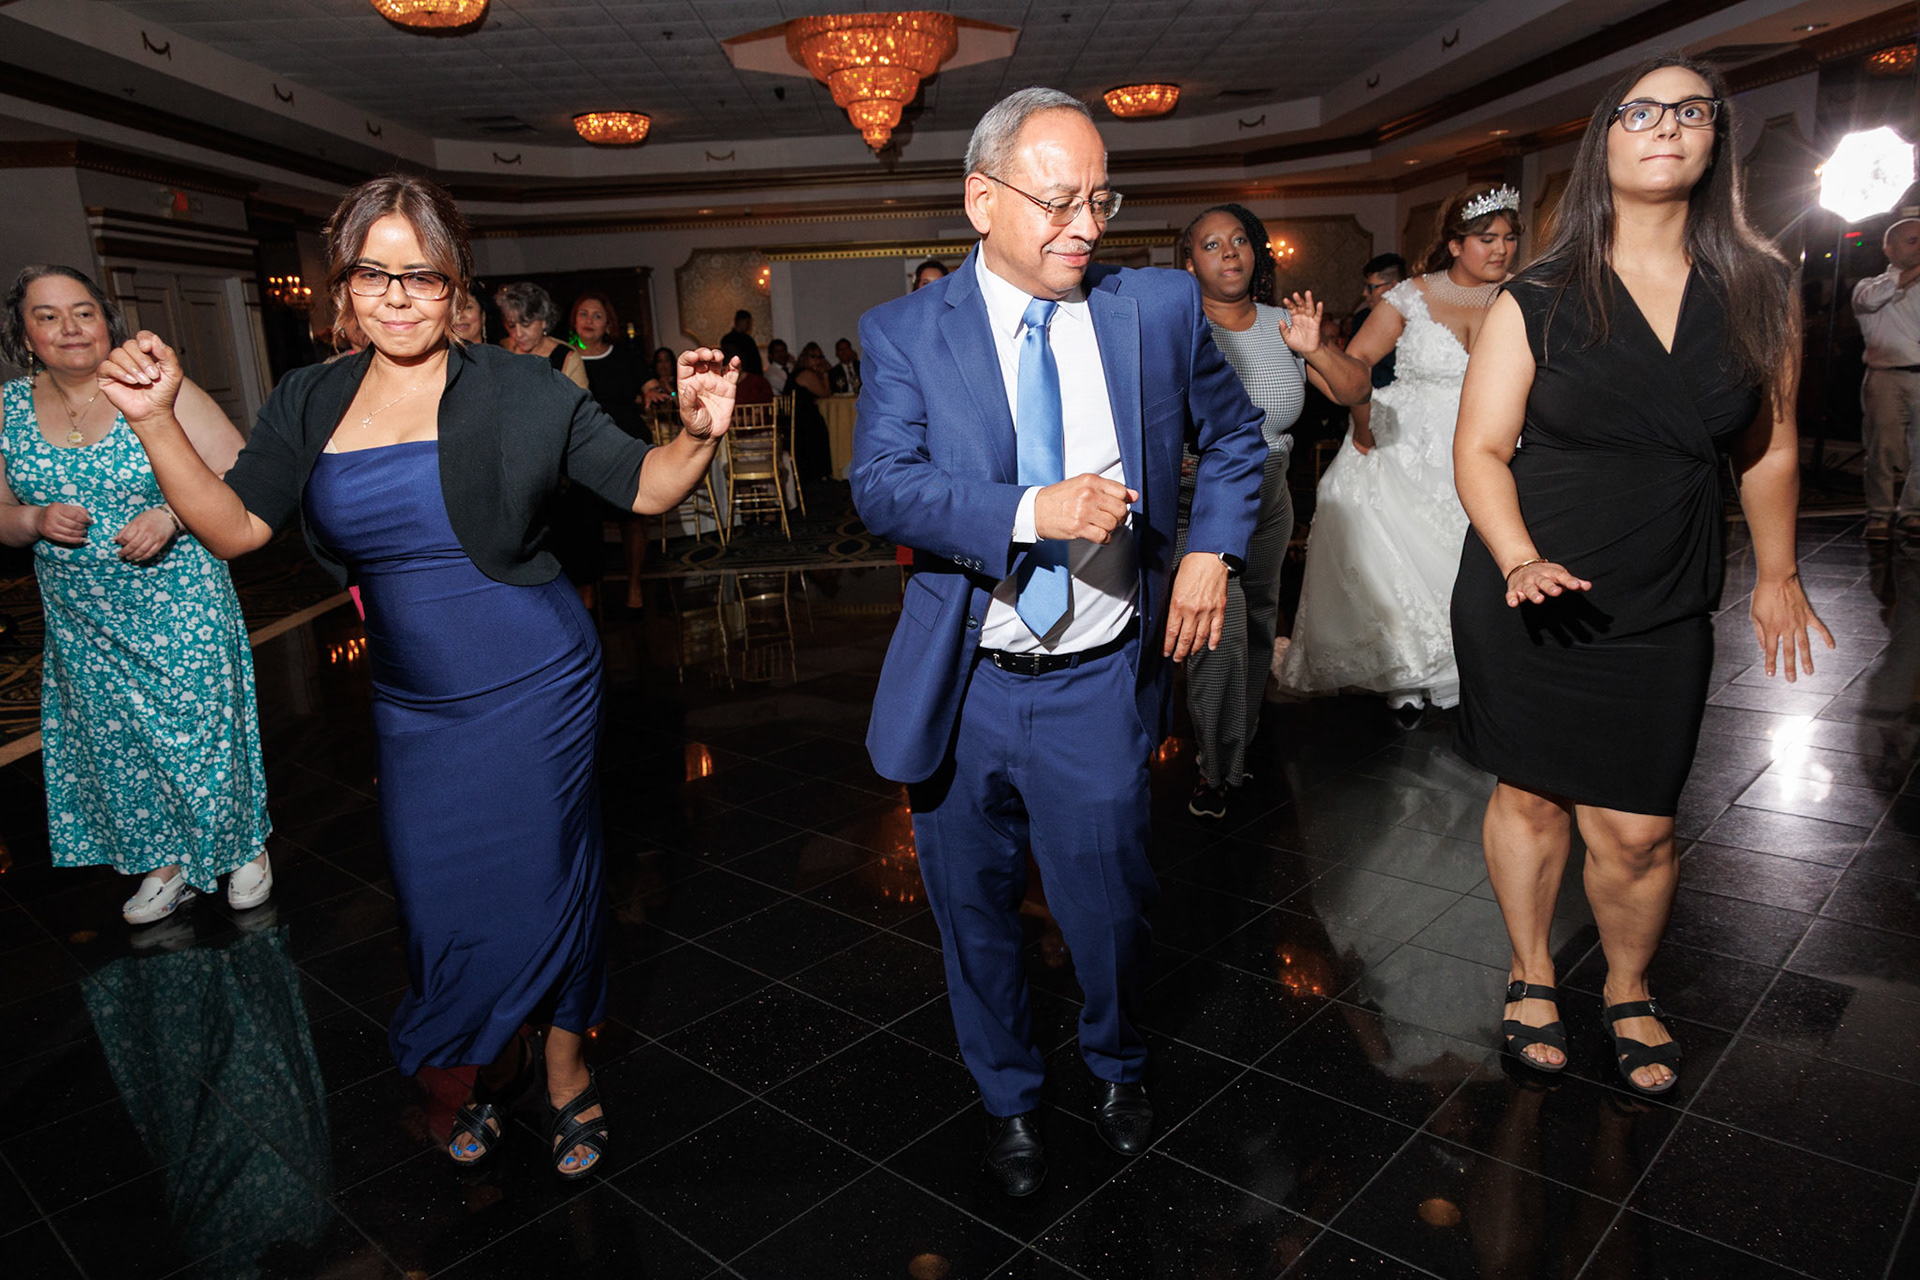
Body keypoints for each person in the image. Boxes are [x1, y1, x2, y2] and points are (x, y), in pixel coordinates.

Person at [95, 173, 738, 1178]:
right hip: (413, 701)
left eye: (422, 275)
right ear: (343, 286)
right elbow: (236, 526)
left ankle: (563, 1066)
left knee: (548, 881)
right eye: (373, 274)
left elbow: (645, 487)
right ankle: (476, 1053)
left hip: (536, 683)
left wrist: (696, 431)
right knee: (438, 900)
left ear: (454, 284)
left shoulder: (522, 387)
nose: (397, 297)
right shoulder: (309, 398)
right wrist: (153, 418)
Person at [850, 87, 1265, 1197]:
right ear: (981, 200)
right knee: (972, 915)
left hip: (1097, 679)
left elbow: (1235, 440)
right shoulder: (905, 331)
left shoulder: (1156, 309)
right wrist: (1034, 509)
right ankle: (1009, 1098)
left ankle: (1118, 1063)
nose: (1086, 226)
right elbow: (881, 487)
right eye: (1058, 201)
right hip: (966, 680)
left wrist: (1211, 553)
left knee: (1112, 910)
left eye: (1101, 199)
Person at [1450, 57, 1830, 1096]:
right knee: (1532, 796)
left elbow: (1771, 449)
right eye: (1641, 110)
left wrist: (1778, 573)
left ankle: (1627, 984)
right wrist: (1519, 556)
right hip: (1532, 582)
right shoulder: (1540, 293)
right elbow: (1480, 449)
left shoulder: (1761, 287)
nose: (1666, 126)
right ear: (1605, 141)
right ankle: (1532, 970)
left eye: (1690, 111)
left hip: (1664, 586)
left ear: (1716, 141)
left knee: (1640, 826)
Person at [0, 264, 271, 924]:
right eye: (47, 316)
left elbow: (240, 469)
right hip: (83, 617)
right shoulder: (6, 409)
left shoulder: (154, 386)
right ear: (24, 335)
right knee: (119, 744)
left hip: (180, 602)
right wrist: (33, 519)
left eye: (83, 311)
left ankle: (242, 848)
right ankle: (164, 863)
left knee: (199, 731)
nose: (69, 327)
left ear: (107, 321)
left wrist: (174, 516)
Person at [1275, 184, 1521, 723]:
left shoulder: (1522, 295)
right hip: (1405, 444)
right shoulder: (1409, 297)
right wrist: (1360, 421)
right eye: (1487, 239)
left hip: (1488, 441)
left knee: (1472, 558)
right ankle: (1407, 677)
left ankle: (1473, 669)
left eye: (1509, 238)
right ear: (1455, 245)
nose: (1501, 250)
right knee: (1401, 563)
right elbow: (1354, 371)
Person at [1175, 204, 1307, 820]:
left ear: (1255, 252)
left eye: (1238, 241)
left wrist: (1315, 349)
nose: (1228, 252)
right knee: (1216, 631)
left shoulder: (1286, 324)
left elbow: (1355, 390)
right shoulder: (1176, 325)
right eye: (1211, 244)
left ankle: (1240, 744)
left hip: (1273, 492)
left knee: (1256, 622)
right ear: (1189, 263)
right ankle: (1215, 765)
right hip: (1206, 496)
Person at [571, 292, 651, 610]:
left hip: (625, 446)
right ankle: (587, 593)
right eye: (583, 314)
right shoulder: (563, 356)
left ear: (608, 324)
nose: (589, 320)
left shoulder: (625, 357)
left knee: (632, 519)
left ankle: (635, 587)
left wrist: (657, 393)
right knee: (583, 523)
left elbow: (649, 387)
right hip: (581, 450)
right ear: (574, 320)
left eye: (597, 315)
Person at [1853, 217, 1920, 542]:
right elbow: (1872, 300)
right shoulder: (1869, 285)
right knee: (1883, 450)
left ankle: (1912, 513)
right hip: (1886, 378)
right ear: (1888, 248)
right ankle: (1879, 515)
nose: (1919, 247)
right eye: (1912, 240)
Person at [789, 342, 834, 481]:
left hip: (800, 417)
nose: (817, 360)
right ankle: (820, 474)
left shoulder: (804, 372)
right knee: (821, 427)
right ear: (805, 357)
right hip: (802, 420)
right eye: (813, 356)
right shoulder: (805, 374)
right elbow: (825, 393)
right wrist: (825, 374)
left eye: (820, 357)